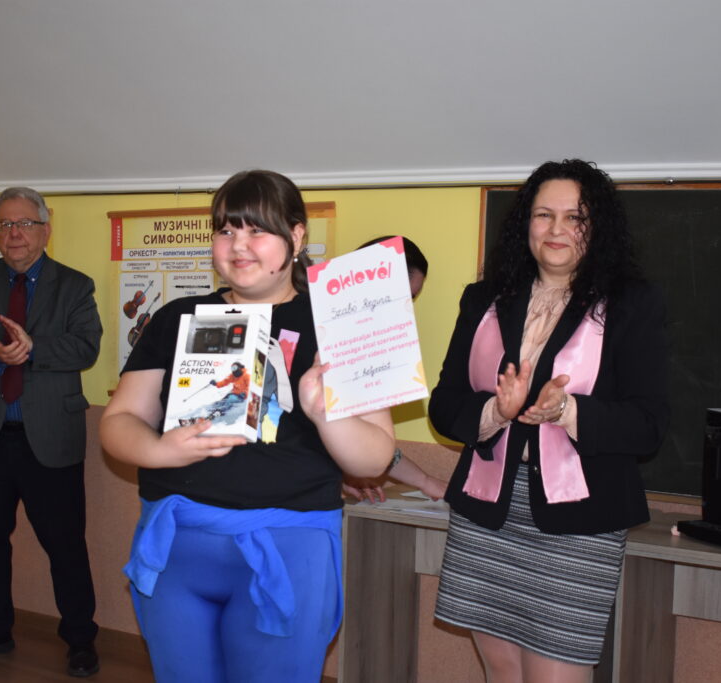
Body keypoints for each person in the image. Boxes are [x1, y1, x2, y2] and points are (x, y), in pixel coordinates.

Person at [100, 169, 395, 682]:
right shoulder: (177, 317)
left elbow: (373, 459)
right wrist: (161, 450)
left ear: (296, 237)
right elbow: (119, 421)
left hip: (288, 548)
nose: (238, 245)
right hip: (176, 548)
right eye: (226, 230)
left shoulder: (341, 322)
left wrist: (324, 412)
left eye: (257, 230)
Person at [428, 159, 669, 683]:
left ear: (596, 227)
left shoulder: (631, 304)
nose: (557, 229)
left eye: (574, 217)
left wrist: (567, 410)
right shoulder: (484, 300)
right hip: (487, 511)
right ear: (526, 224)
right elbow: (444, 407)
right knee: (501, 671)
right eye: (543, 215)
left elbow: (648, 425)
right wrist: (497, 411)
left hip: (580, 519)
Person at [0, 187, 102, 677]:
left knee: (65, 544)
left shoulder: (74, 284)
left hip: (49, 437)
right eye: (4, 225)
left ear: (45, 230)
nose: (14, 234)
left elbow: (85, 348)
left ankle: (80, 639)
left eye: (24, 224)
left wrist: (31, 349)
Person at [343, 235, 447, 502]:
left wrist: (425, 481)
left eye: (411, 300)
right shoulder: (321, 334)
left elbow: (367, 439)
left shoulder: (363, 343)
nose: (405, 309)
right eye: (404, 297)